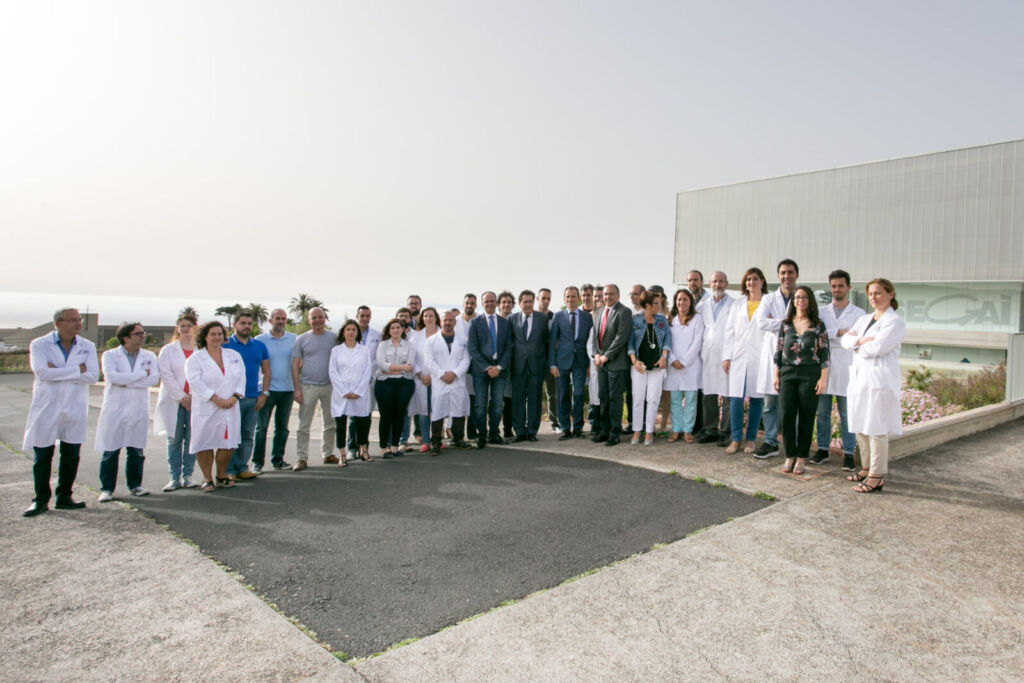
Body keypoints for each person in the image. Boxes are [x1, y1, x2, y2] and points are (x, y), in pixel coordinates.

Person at [22, 308, 98, 517]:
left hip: (74, 406)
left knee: (71, 454)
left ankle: (64, 496)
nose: (78, 324)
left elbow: (92, 376)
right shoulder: (39, 344)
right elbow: (42, 372)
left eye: (79, 320)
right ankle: (40, 500)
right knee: (43, 454)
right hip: (48, 406)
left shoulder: (87, 346)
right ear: (58, 323)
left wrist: (57, 371)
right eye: (72, 320)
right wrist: (77, 370)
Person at [841, 278, 906, 493]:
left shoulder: (894, 322)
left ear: (890, 294)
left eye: (878, 293)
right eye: (870, 293)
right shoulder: (864, 319)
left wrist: (857, 343)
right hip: (860, 379)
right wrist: (861, 341)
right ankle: (866, 468)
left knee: (876, 428)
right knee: (861, 425)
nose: (873, 297)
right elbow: (845, 341)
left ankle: (876, 476)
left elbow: (879, 348)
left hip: (879, 380)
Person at [95, 322, 160, 500]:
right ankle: (107, 489)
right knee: (110, 450)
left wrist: (128, 381)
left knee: (136, 450)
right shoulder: (110, 355)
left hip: (138, 407)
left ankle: (135, 485)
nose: (142, 336)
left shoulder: (149, 356)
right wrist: (141, 375)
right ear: (125, 338)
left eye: (143, 332)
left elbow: (153, 379)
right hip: (115, 408)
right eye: (138, 334)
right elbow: (113, 377)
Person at [773, 286, 830, 476]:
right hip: (787, 373)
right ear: (793, 301)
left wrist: (823, 378)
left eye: (804, 297)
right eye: (797, 297)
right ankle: (790, 455)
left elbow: (824, 352)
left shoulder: (818, 325)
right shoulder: (786, 324)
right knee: (786, 415)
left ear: (810, 300)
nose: (800, 300)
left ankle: (801, 457)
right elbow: (779, 350)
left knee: (806, 416)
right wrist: (776, 375)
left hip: (810, 373)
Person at [812, 270, 865, 469]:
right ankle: (822, 449)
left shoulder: (859, 314)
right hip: (824, 368)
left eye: (841, 286)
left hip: (847, 368)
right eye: (834, 286)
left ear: (848, 287)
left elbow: (857, 339)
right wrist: (841, 332)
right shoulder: (821, 312)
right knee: (822, 413)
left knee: (847, 413)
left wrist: (832, 334)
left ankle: (848, 453)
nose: (837, 289)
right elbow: (816, 334)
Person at [186, 321, 246, 492]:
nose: (217, 337)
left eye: (219, 334)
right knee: (205, 442)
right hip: (207, 406)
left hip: (230, 405)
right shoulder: (195, 359)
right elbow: (194, 382)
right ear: (204, 337)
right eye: (212, 334)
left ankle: (221, 475)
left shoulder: (233, 355)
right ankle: (207, 478)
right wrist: (215, 398)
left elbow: (241, 377)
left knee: (228, 442)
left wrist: (235, 397)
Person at [752, 259, 800, 458]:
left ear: (796, 274)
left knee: (793, 406)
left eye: (790, 272)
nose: (786, 276)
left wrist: (776, 322)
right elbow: (761, 322)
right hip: (772, 354)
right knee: (770, 404)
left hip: (795, 356)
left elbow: (806, 322)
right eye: (783, 273)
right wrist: (789, 323)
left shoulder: (802, 296)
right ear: (778, 276)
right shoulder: (768, 299)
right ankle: (770, 442)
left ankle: (793, 444)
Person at [722, 268, 768, 454]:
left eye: (755, 279)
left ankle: (750, 440)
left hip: (760, 357)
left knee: (756, 399)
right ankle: (735, 439)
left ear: (762, 282)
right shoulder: (738, 304)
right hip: (739, 356)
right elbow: (729, 331)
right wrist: (727, 356)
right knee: (736, 399)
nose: (751, 282)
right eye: (748, 279)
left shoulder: (768, 302)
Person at [223, 311, 270, 480]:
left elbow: (266, 371)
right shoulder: (225, 344)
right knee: (230, 436)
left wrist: (264, 394)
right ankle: (228, 470)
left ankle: (242, 467)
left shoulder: (259, 346)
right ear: (235, 324)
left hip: (252, 397)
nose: (246, 326)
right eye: (243, 323)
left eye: (249, 323)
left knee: (247, 435)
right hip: (231, 398)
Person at [154, 313, 198, 492]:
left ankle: (188, 476)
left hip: (196, 401)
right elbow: (166, 375)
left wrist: (193, 396)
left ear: (195, 328)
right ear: (177, 329)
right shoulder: (168, 350)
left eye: (189, 325)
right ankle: (174, 478)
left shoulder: (201, 350)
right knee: (174, 440)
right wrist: (182, 397)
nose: (186, 329)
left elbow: (203, 375)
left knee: (192, 440)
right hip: (174, 400)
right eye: (183, 325)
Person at [291, 307, 338, 471]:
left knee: (330, 423)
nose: (318, 320)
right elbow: (294, 365)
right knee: (304, 424)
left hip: (329, 386)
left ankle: (328, 454)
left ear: (325, 318)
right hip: (308, 386)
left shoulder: (334, 338)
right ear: (309, 320)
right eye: (314, 318)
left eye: (320, 317)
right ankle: (301, 458)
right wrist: (296, 388)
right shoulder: (301, 339)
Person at [467, 291, 512, 448]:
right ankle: (482, 434)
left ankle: (494, 433)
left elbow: (509, 347)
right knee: (480, 404)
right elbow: (472, 348)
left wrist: (499, 367)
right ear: (482, 303)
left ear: (497, 303)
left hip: (500, 369)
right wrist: (487, 367)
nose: (490, 304)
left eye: (492, 301)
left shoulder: (505, 323)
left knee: (498, 404)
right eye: (486, 301)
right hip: (481, 370)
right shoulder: (475, 322)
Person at [425, 310, 473, 454]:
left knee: (459, 410)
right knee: (438, 412)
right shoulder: (431, 341)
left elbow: (466, 360)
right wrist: (442, 374)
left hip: (457, 380)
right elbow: (429, 361)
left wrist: (455, 373)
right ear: (440, 322)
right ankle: (436, 442)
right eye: (445, 320)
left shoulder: (463, 340)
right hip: (440, 382)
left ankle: (459, 439)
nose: (447, 323)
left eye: (450, 320)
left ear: (455, 322)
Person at [254, 308, 295, 473]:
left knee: (282, 428)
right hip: (267, 390)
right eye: (278, 318)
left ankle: (278, 460)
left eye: (283, 319)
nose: (281, 321)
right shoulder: (260, 340)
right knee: (261, 428)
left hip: (287, 390)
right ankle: (257, 463)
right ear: (270, 320)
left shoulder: (294, 339)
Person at [549, 286, 593, 440]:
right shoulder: (558, 316)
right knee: (562, 395)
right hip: (561, 361)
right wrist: (552, 364)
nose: (571, 299)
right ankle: (566, 429)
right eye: (568, 297)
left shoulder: (587, 317)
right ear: (564, 299)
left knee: (579, 394)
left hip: (580, 361)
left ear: (578, 298)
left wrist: (589, 364)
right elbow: (552, 341)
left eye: (573, 296)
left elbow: (590, 341)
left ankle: (578, 428)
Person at [696, 272, 734, 446]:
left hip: (727, 355)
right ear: (709, 284)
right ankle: (710, 429)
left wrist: (730, 355)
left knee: (727, 395)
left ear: (726, 283)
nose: (717, 285)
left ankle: (725, 432)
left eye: (721, 281)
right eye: (714, 282)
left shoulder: (735, 305)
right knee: (708, 394)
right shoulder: (701, 306)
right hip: (708, 355)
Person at [627, 290, 669, 446]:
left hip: (657, 366)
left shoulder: (662, 320)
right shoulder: (635, 319)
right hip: (639, 366)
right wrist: (634, 361)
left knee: (653, 399)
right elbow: (630, 342)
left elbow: (667, 340)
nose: (659, 306)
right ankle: (637, 430)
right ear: (647, 305)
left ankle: (649, 431)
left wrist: (664, 357)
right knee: (638, 399)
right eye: (656, 303)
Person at [591, 284, 631, 446]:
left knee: (615, 399)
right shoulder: (599, 311)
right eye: (605, 294)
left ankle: (615, 431)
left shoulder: (624, 312)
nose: (607, 297)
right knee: (603, 397)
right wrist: (596, 354)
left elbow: (621, 338)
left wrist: (606, 356)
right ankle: (604, 430)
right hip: (601, 363)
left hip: (617, 363)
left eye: (611, 294)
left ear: (618, 295)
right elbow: (595, 336)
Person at [329, 320, 373, 465]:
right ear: (343, 332)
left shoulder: (364, 350)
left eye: (354, 329)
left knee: (362, 423)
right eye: (348, 329)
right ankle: (342, 454)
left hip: (360, 393)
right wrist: (343, 391)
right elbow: (333, 372)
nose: (351, 332)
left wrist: (359, 391)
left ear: (357, 333)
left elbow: (367, 371)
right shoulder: (336, 351)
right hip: (341, 394)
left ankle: (364, 451)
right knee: (341, 425)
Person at [664, 289, 705, 443]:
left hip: (691, 366)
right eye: (679, 299)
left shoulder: (697, 319)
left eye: (685, 299)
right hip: (673, 365)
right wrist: (672, 360)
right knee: (675, 400)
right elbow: (666, 342)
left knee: (690, 400)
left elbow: (697, 342)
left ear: (690, 302)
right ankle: (676, 430)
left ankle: (687, 430)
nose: (682, 302)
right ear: (675, 302)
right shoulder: (670, 320)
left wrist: (685, 361)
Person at [509, 290, 550, 442]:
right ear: (519, 303)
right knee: (517, 400)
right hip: (518, 366)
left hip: (536, 366)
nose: (528, 304)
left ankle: (532, 431)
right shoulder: (512, 319)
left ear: (534, 302)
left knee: (535, 399)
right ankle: (519, 431)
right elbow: (510, 342)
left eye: (530, 302)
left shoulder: (542, 319)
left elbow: (546, 341)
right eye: (525, 302)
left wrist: (545, 363)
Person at [375, 317, 416, 458]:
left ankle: (394, 447)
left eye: (398, 327)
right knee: (386, 416)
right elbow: (381, 364)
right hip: (384, 383)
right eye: (392, 328)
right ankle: (383, 448)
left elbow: (410, 366)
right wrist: (401, 367)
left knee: (399, 415)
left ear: (403, 330)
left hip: (404, 383)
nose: (395, 330)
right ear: (389, 331)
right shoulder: (383, 345)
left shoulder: (409, 345)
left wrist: (391, 368)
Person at [348, 305, 381, 460]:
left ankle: (364, 447)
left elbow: (377, 358)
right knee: (353, 416)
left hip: (369, 379)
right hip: (353, 380)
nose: (365, 318)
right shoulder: (350, 334)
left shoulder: (377, 335)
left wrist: (367, 371)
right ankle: (351, 448)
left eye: (367, 315)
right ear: (357, 316)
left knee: (366, 415)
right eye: (362, 315)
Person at [408, 307, 440, 452]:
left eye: (431, 316)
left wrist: (434, 375)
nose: (428, 318)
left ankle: (437, 440)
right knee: (423, 411)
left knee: (438, 410)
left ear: (436, 318)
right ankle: (426, 441)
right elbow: (412, 360)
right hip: (421, 379)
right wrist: (421, 375)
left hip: (438, 378)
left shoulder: (442, 335)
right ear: (422, 318)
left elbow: (444, 358)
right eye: (425, 316)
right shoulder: (416, 337)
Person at [536, 287, 560, 433]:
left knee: (552, 393)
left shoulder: (554, 317)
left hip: (551, 361)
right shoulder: (532, 316)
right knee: (533, 393)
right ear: (537, 299)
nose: (546, 301)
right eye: (543, 298)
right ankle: (531, 422)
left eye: (548, 298)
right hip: (534, 362)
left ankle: (554, 422)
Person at [497, 291, 516, 439]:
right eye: (503, 302)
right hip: (495, 366)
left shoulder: (516, 321)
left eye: (509, 302)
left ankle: (508, 429)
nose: (506, 305)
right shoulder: (493, 321)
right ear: (499, 304)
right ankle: (493, 429)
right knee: (495, 400)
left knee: (509, 400)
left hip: (512, 366)